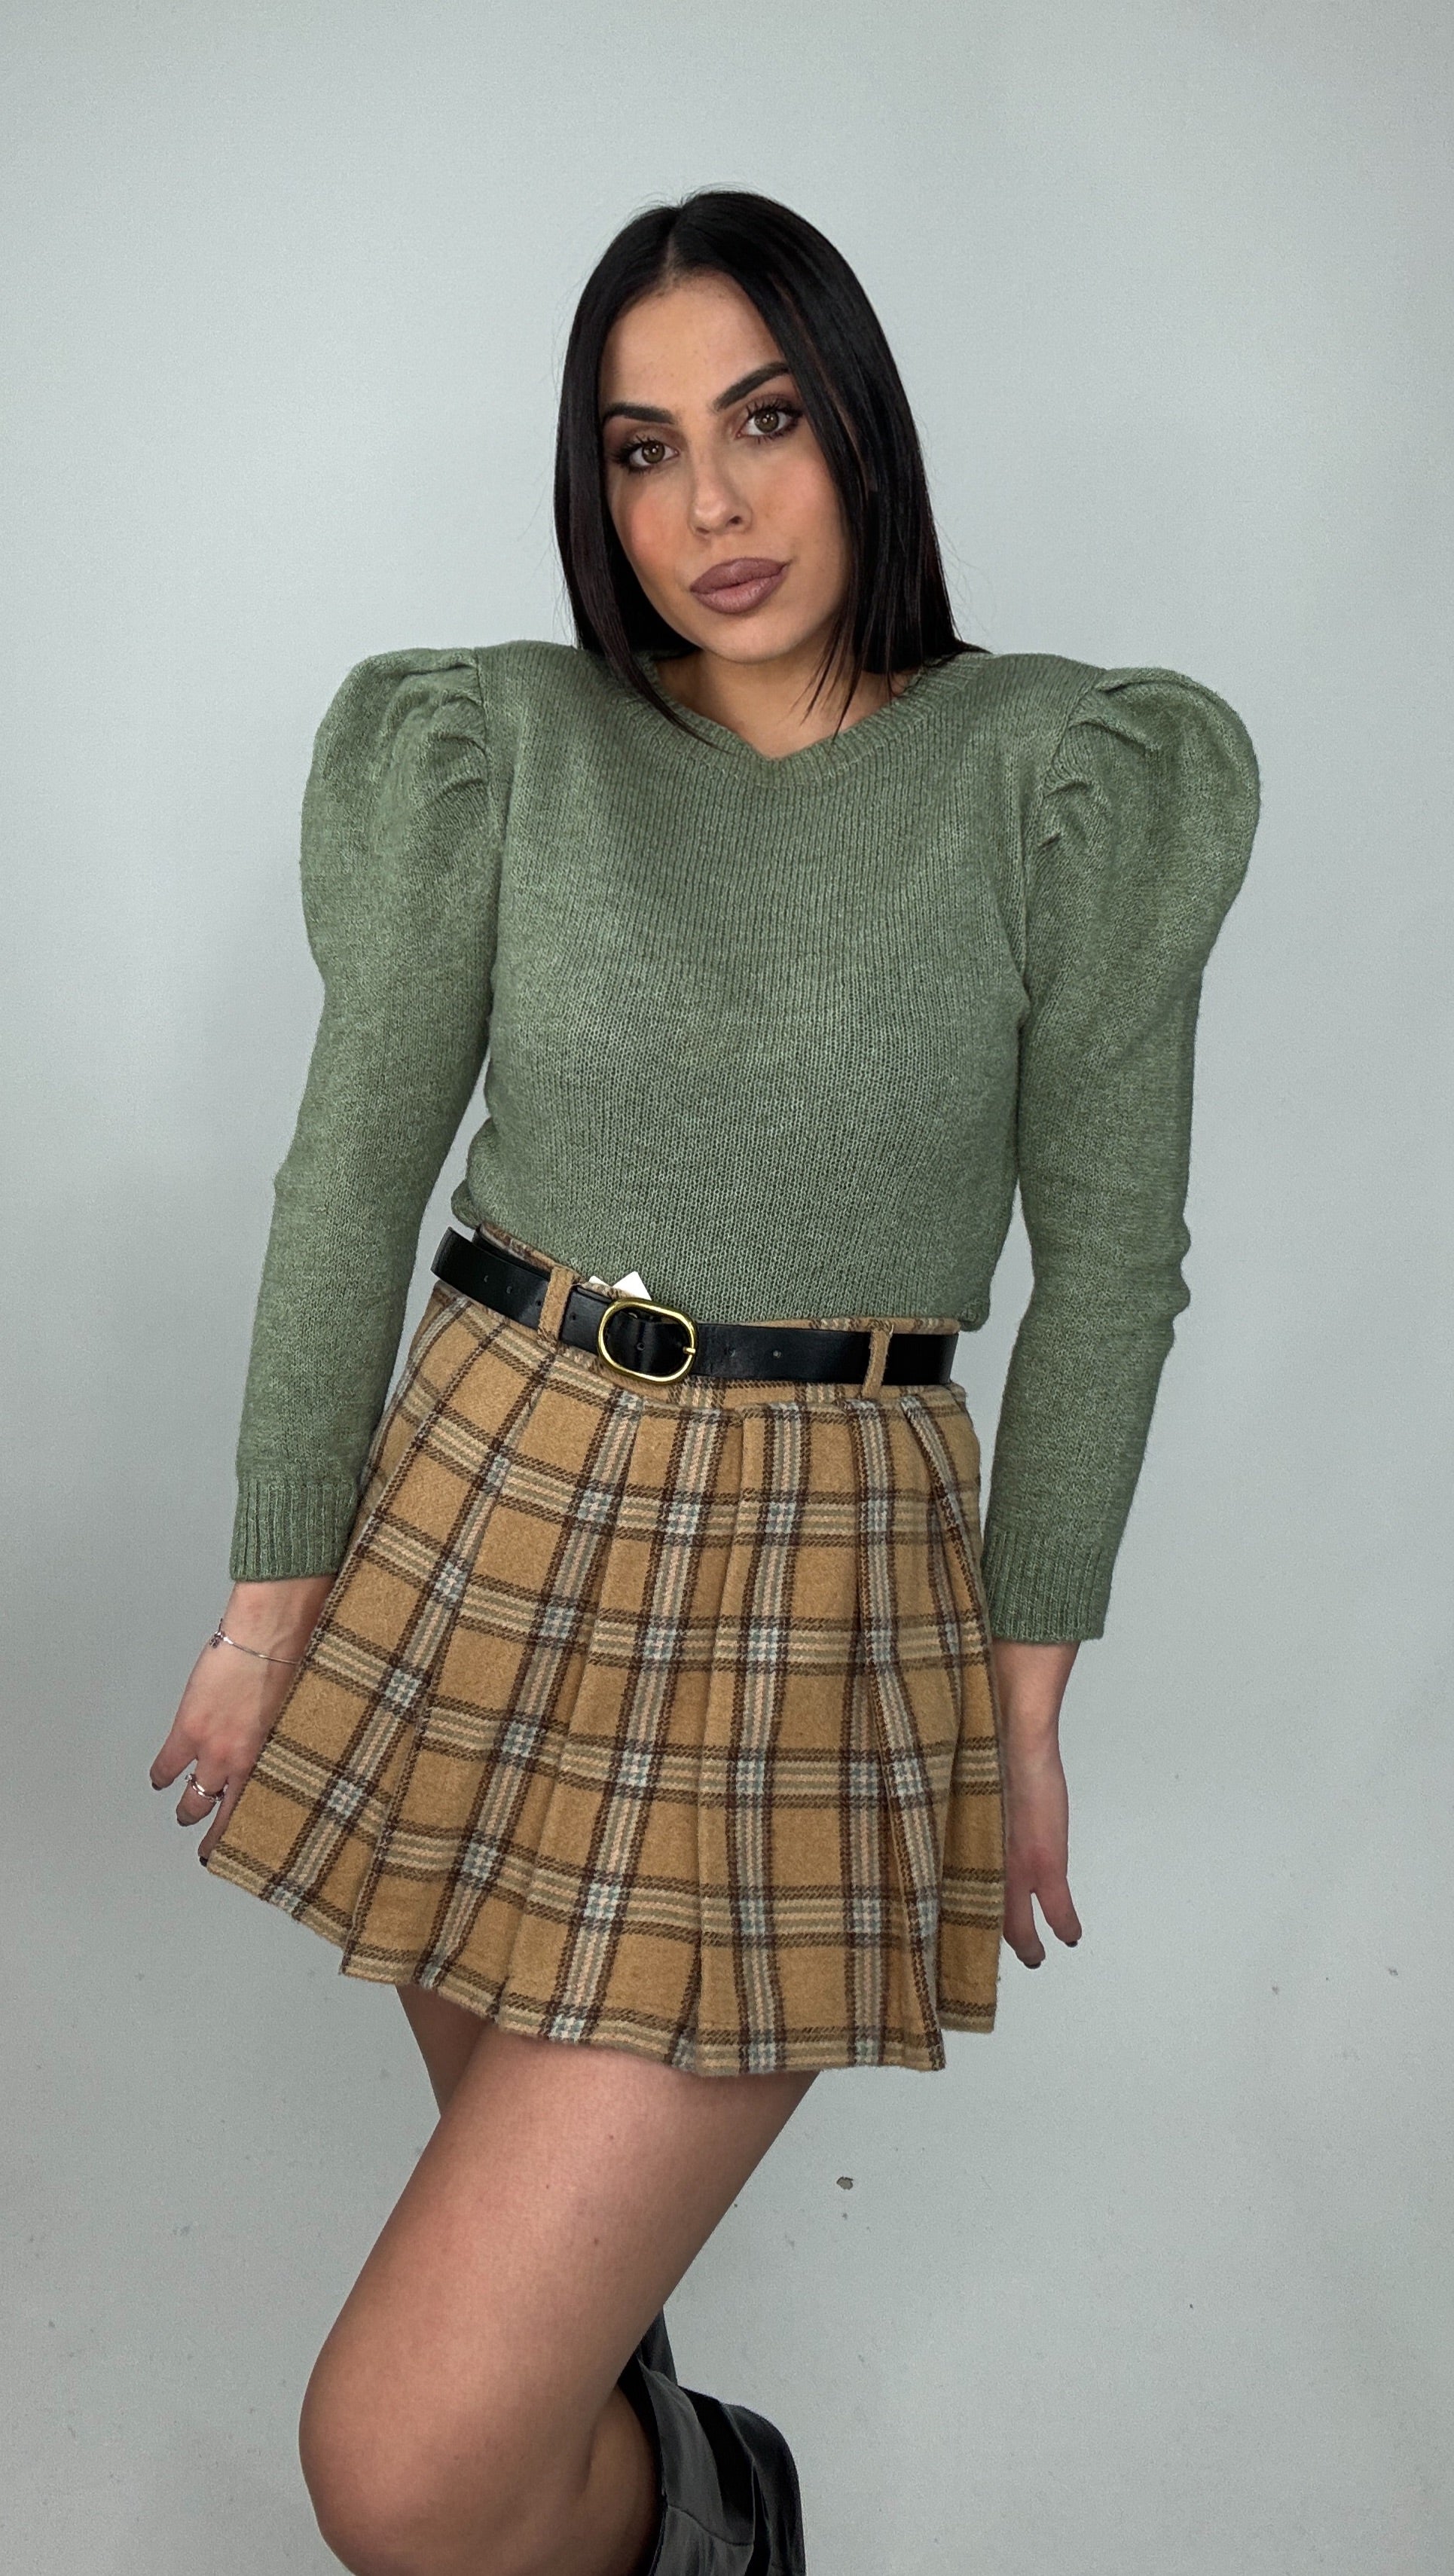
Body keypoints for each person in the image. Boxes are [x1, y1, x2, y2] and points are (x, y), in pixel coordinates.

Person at [149, 188, 1260, 2576]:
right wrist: (269, 1600)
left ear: (858, 423)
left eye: (761, 421)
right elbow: (348, 1181)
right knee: (529, 2373)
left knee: (410, 2466)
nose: (710, 507)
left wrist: (1023, 1685)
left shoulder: (1058, 773)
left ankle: (716, 2514)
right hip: (477, 1507)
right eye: (640, 452)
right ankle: (671, 2466)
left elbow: (1113, 1266)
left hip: (812, 1575)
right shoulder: (502, 746)